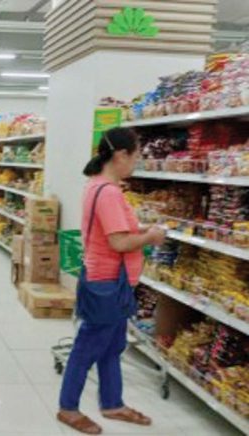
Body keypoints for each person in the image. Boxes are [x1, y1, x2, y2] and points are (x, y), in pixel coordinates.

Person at [57, 128, 166, 435]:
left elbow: (116, 231)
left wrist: (140, 228)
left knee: (112, 346)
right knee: (87, 347)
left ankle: (112, 403)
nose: (137, 161)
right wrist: (151, 237)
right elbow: (118, 243)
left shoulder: (98, 186)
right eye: (136, 155)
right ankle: (68, 408)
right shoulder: (108, 192)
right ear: (120, 156)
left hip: (113, 283)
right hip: (107, 283)